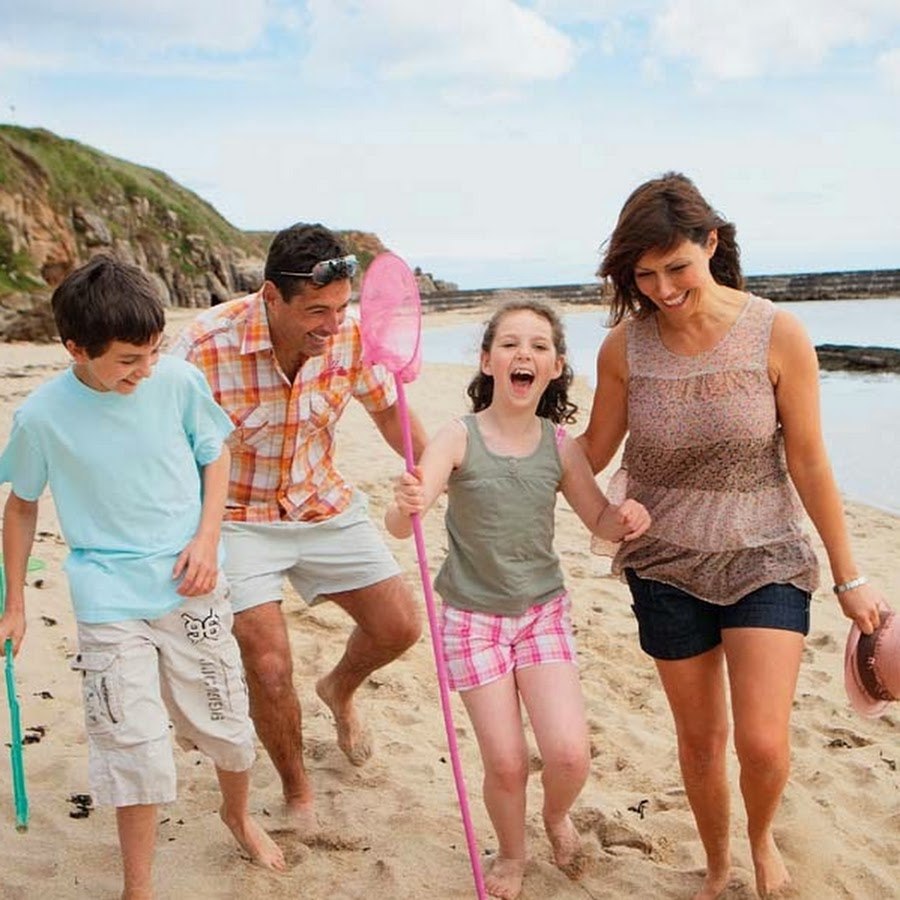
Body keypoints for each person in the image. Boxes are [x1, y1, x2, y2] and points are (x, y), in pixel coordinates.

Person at [578, 172, 885, 900]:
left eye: (676, 267)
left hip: (765, 555)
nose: (662, 288)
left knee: (763, 742)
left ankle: (760, 838)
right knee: (701, 741)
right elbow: (590, 452)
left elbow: (809, 461)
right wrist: (493, 450)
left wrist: (849, 577)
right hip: (663, 563)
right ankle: (719, 862)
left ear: (711, 242)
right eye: (644, 275)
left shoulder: (778, 333)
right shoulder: (625, 348)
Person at [0, 256, 285, 900]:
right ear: (75, 347)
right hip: (107, 598)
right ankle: (139, 889)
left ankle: (236, 814)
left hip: (192, 584)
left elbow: (216, 454)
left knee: (225, 726)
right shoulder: (42, 417)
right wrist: (14, 604)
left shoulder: (179, 383)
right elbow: (19, 506)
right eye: (129, 359)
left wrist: (208, 538)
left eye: (153, 351)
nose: (145, 370)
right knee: (132, 745)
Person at [385, 300, 651, 900]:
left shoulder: (560, 447)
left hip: (541, 614)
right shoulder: (457, 437)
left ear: (555, 366)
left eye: (537, 345)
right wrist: (401, 505)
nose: (522, 354)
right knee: (505, 764)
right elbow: (406, 523)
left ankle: (556, 815)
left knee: (569, 756)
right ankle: (511, 852)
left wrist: (625, 517)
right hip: (470, 620)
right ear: (487, 360)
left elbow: (599, 520)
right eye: (508, 344)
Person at [170, 223, 425, 828]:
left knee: (400, 627)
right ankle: (297, 793)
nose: (332, 325)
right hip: (233, 519)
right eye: (316, 311)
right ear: (271, 297)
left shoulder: (350, 336)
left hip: (321, 504)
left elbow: (390, 412)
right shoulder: (204, 346)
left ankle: (338, 688)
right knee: (269, 664)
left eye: (340, 308)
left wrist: (436, 469)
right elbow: (159, 446)